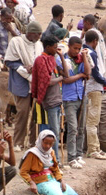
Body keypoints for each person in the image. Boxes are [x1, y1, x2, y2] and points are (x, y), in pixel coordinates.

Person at [20, 130, 82, 195]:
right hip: (41, 183)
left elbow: (55, 169)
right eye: (45, 143)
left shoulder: (51, 152)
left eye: (51, 144)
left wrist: (61, 181)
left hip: (53, 180)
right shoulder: (32, 153)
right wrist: (31, 183)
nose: (48, 146)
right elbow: (23, 172)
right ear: (40, 141)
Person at [4, 21, 43, 151]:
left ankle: (33, 142)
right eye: (37, 35)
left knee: (36, 115)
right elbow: (9, 61)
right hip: (21, 82)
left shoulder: (38, 44)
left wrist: (35, 68)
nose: (39, 37)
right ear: (30, 33)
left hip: (35, 82)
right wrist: (23, 68)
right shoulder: (16, 42)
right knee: (23, 113)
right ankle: (18, 142)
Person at [31, 34, 68, 162]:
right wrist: (61, 78)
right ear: (47, 47)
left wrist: (62, 56)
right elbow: (47, 82)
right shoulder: (41, 60)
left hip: (57, 100)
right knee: (53, 133)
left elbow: (66, 74)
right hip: (50, 101)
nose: (56, 49)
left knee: (55, 132)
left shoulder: (52, 60)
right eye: (55, 47)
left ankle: (53, 159)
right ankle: (54, 160)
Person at [60, 36, 92, 169]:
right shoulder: (62, 59)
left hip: (81, 96)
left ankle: (79, 155)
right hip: (69, 98)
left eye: (79, 49)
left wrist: (84, 56)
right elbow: (66, 79)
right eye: (75, 48)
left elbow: (88, 72)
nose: (77, 51)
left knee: (81, 127)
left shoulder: (80, 59)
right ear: (69, 46)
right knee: (72, 128)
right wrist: (80, 75)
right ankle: (71, 157)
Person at [84, 30, 106, 160]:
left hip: (88, 89)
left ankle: (96, 148)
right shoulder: (91, 53)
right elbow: (95, 74)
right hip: (94, 89)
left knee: (92, 120)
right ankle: (92, 150)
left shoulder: (83, 52)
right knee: (92, 121)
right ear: (95, 41)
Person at [82, 15, 106, 80]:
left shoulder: (89, 34)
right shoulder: (98, 33)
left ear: (87, 23)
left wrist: (81, 37)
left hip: (95, 68)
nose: (83, 26)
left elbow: (82, 48)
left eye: (83, 24)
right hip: (102, 67)